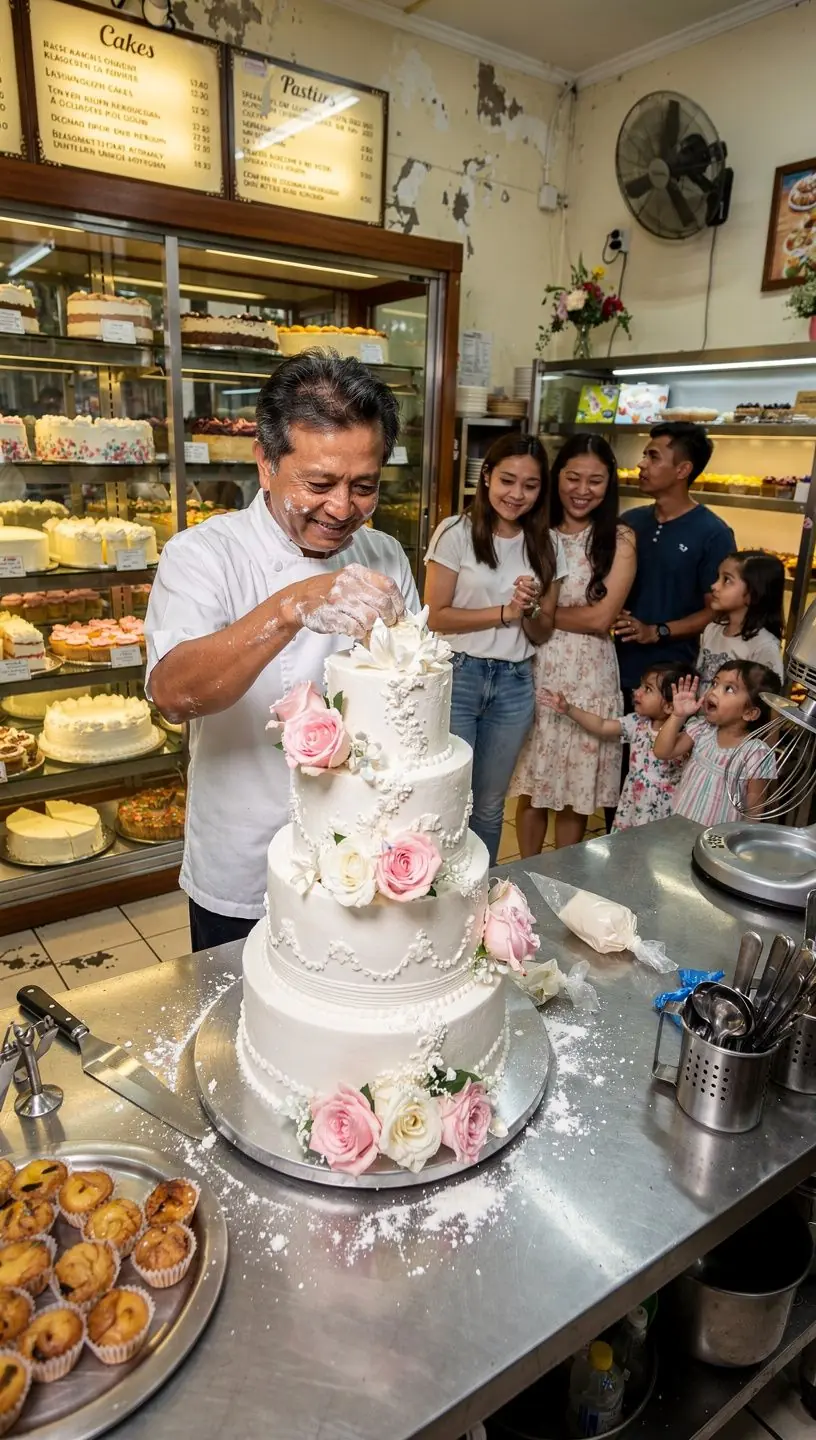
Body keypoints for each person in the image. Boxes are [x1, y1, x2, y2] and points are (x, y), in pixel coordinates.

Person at [146, 351, 419, 952]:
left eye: (364, 486)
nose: (343, 508)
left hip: (360, 853)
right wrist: (291, 605)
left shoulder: (384, 558)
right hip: (244, 851)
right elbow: (174, 693)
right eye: (319, 484)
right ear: (266, 465)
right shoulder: (203, 555)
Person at [424, 433, 567, 865]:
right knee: (448, 796)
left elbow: (543, 632)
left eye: (530, 485)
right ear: (486, 477)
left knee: (488, 805)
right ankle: (437, 892)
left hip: (514, 684)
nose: (517, 494)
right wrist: (504, 611)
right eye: (508, 480)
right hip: (459, 675)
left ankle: (477, 900)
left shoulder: (549, 545)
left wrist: (531, 607)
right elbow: (434, 616)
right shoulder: (455, 533)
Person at [510, 435, 635, 854]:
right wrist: (534, 617)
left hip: (590, 673)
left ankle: (564, 876)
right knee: (533, 781)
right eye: (573, 477)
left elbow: (602, 618)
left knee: (575, 790)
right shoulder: (534, 532)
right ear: (555, 477)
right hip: (536, 663)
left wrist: (539, 613)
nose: (582, 490)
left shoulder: (619, 540)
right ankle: (524, 874)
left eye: (595, 481)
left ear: (609, 484)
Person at [607, 420, 735, 828]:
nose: (641, 464)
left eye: (653, 456)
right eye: (644, 454)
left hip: (670, 681)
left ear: (683, 469)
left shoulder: (712, 533)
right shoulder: (632, 521)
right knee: (620, 776)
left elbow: (713, 610)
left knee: (659, 776)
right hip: (617, 666)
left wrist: (656, 630)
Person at [542, 661, 693, 831]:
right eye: (641, 685)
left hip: (664, 810)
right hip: (633, 803)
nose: (638, 691)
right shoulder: (637, 723)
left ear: (669, 706)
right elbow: (601, 725)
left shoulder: (685, 736)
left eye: (648, 689)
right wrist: (568, 709)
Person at [654, 663, 781, 826]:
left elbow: (754, 808)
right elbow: (662, 751)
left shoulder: (754, 753)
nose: (713, 691)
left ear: (749, 713)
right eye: (715, 683)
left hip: (717, 843)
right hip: (680, 828)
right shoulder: (701, 730)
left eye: (729, 689)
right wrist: (678, 715)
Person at [698, 550, 784, 685]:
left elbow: (766, 699)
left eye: (726, 580)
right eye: (718, 577)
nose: (714, 586)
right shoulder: (712, 629)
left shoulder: (763, 646)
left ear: (753, 593)